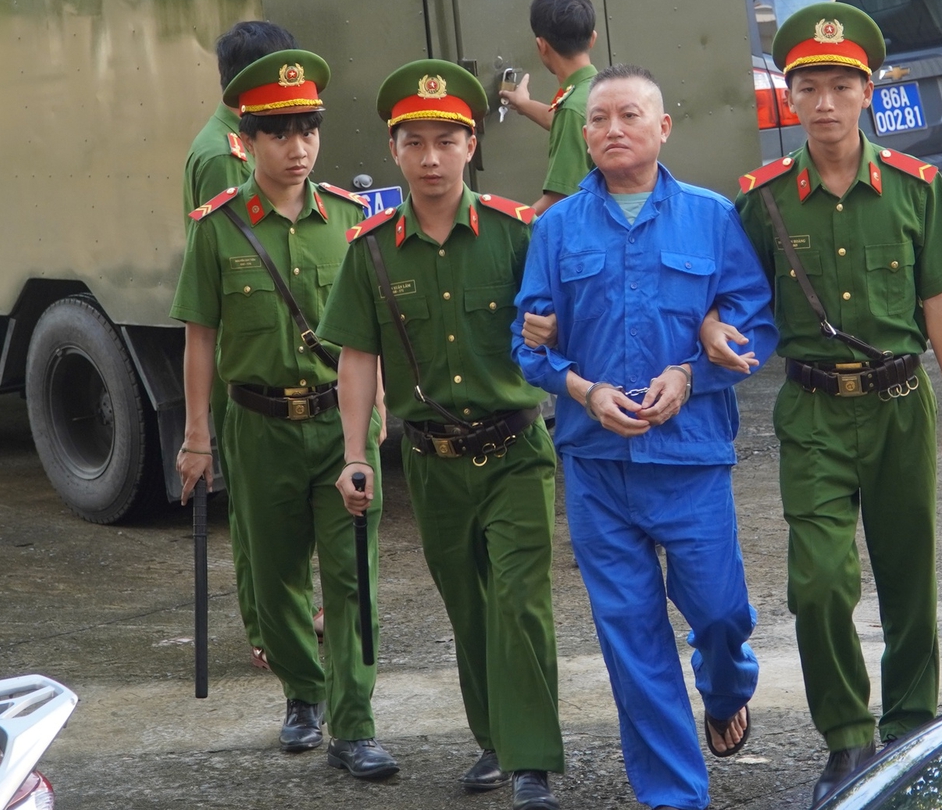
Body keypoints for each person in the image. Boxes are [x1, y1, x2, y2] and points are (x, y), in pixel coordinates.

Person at [724, 3, 942, 806]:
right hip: (811, 413)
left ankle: (910, 725)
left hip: (902, 406)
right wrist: (710, 323)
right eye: (810, 86)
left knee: (909, 573)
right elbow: (733, 292)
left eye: (843, 85)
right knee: (819, 582)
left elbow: (938, 295)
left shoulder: (916, 187)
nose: (827, 102)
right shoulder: (764, 199)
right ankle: (846, 737)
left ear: (869, 92)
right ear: (790, 97)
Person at [512, 66, 775, 810]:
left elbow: (754, 322)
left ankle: (727, 690)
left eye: (630, 115)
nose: (612, 129)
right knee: (632, 640)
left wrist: (692, 372)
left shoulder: (711, 216)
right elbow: (529, 342)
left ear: (663, 128)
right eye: (597, 119)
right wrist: (583, 389)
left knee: (720, 614)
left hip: (689, 460)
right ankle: (675, 797)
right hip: (597, 468)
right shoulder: (556, 230)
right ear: (582, 134)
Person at [317, 60, 564, 810]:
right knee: (469, 604)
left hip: (517, 448)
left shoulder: (519, 235)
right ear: (394, 150)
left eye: (446, 140)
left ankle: (530, 763)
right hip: (433, 461)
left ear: (471, 144)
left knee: (520, 601)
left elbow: (560, 329)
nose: (430, 157)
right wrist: (355, 454)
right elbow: (357, 357)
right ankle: (493, 738)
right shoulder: (370, 248)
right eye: (414, 142)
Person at [170, 48, 398, 781]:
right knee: (274, 585)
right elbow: (200, 338)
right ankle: (304, 688)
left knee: (352, 573)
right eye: (279, 132)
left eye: (308, 130)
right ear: (248, 138)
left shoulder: (353, 220)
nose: (297, 148)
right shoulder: (219, 227)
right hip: (257, 427)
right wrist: (197, 438)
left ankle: (353, 723)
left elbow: (373, 328)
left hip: (339, 426)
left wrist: (379, 406)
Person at [182, 19, 293, 673]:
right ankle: (263, 627)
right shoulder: (226, 153)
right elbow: (235, 259)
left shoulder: (226, 138)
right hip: (247, 347)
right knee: (254, 514)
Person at [497, 0, 598, 215]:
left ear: (541, 45)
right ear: (592, 38)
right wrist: (524, 104)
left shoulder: (572, 109)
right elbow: (563, 121)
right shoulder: (596, 89)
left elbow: (559, 201)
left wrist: (512, 231)